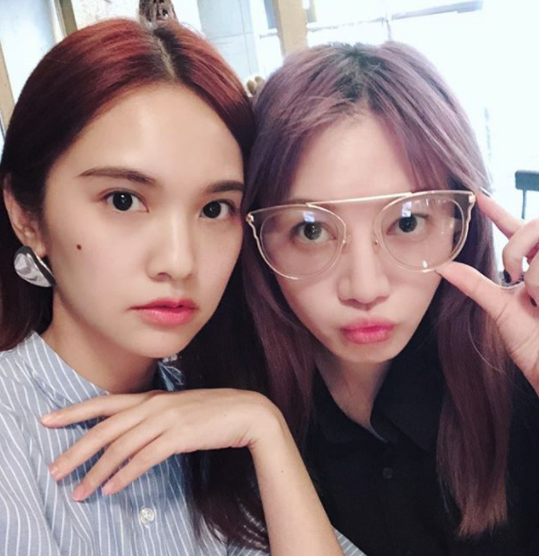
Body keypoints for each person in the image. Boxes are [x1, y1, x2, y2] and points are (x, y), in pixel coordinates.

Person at [41, 40, 538, 555]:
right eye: (311, 229)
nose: (365, 288)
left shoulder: (516, 377)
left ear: (460, 220)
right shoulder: (215, 406)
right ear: (255, 237)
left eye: (408, 222)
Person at [0, 18, 360, 556]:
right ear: (27, 217)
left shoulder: (223, 417)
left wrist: (265, 428)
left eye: (215, 209)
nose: (179, 261)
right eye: (123, 200)